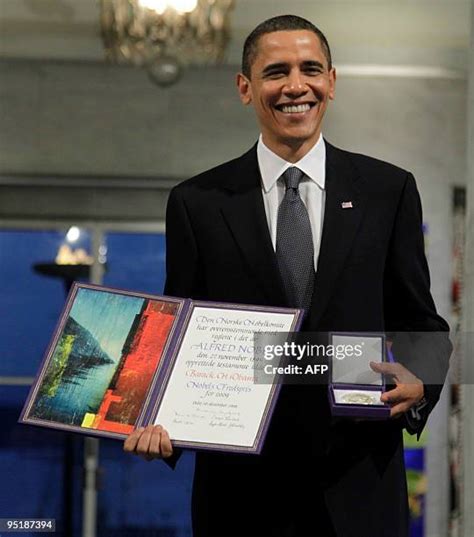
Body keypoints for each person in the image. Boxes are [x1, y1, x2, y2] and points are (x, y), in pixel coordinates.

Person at [124, 15, 451, 537]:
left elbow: (423, 322)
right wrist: (157, 418)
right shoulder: (197, 203)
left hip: (360, 486)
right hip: (240, 494)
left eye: (311, 70)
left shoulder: (388, 191)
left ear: (332, 83)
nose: (296, 86)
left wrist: (423, 379)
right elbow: (179, 334)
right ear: (245, 88)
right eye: (276, 72)